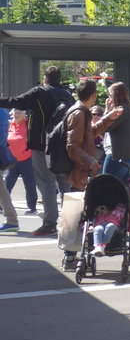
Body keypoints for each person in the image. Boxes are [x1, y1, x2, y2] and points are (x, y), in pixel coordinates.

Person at [0, 66, 74, 236]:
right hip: (63, 147)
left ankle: (49, 223)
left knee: (46, 184)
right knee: (65, 184)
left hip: (42, 145)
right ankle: (71, 223)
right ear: (59, 79)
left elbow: (15, 101)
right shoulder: (67, 96)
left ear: (45, 79)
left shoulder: (39, 92)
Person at [64, 79, 105, 192]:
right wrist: (90, 160)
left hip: (79, 171)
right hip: (77, 172)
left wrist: (108, 118)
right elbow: (72, 145)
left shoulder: (82, 111)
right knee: (75, 208)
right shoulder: (79, 114)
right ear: (94, 95)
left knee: (78, 207)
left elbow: (89, 134)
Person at [97, 82, 130, 185]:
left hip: (118, 154)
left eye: (110, 95)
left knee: (106, 184)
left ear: (116, 96)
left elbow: (105, 127)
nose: (109, 98)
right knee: (122, 186)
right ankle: (123, 201)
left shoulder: (121, 110)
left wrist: (107, 110)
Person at [5, 109, 37, 216]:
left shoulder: (28, 125)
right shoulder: (10, 125)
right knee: (7, 184)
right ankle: (2, 206)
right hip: (12, 161)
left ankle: (31, 207)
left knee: (30, 185)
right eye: (15, 113)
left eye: (19, 113)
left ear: (24, 115)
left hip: (27, 160)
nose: (17, 115)